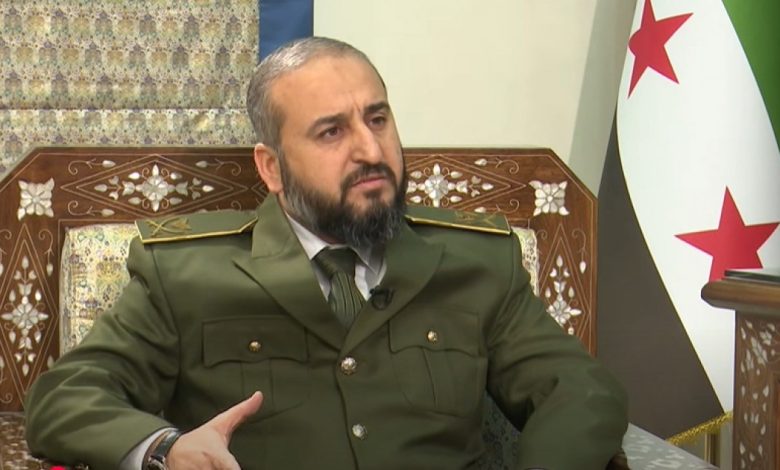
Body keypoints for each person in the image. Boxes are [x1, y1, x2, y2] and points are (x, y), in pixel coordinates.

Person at [25, 37, 628, 470]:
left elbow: (581, 391)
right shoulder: (185, 273)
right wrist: (166, 449)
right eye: (332, 132)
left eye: (378, 119)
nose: (371, 150)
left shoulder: (477, 263)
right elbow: (64, 399)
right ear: (272, 167)